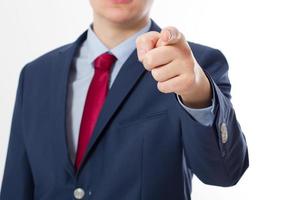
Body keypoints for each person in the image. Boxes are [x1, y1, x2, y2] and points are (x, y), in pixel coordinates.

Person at [0, 0, 249, 199]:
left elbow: (224, 173)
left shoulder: (193, 66)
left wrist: (197, 91)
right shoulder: (35, 76)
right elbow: (16, 187)